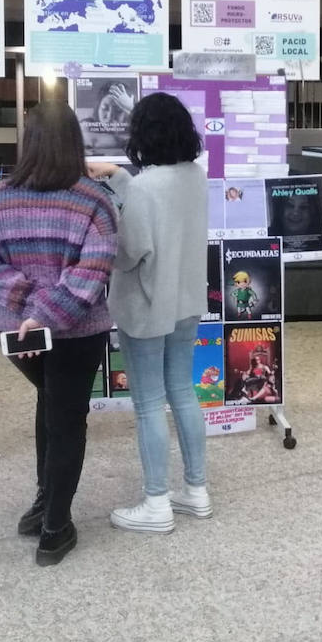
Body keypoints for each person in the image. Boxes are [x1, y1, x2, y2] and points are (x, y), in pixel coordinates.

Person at [0, 102, 118, 566]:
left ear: (27, 141)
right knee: (67, 416)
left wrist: (28, 310)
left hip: (15, 335)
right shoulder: (94, 200)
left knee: (50, 402)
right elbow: (93, 272)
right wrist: (50, 311)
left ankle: (42, 503)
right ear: (75, 140)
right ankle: (55, 525)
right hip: (77, 331)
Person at [89, 93, 212, 536]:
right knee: (183, 392)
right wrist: (121, 178)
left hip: (146, 306)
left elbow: (129, 253)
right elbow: (162, 213)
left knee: (146, 407)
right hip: (185, 302)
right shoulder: (196, 177)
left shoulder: (143, 188)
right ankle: (197, 491)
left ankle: (156, 501)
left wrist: (119, 193)